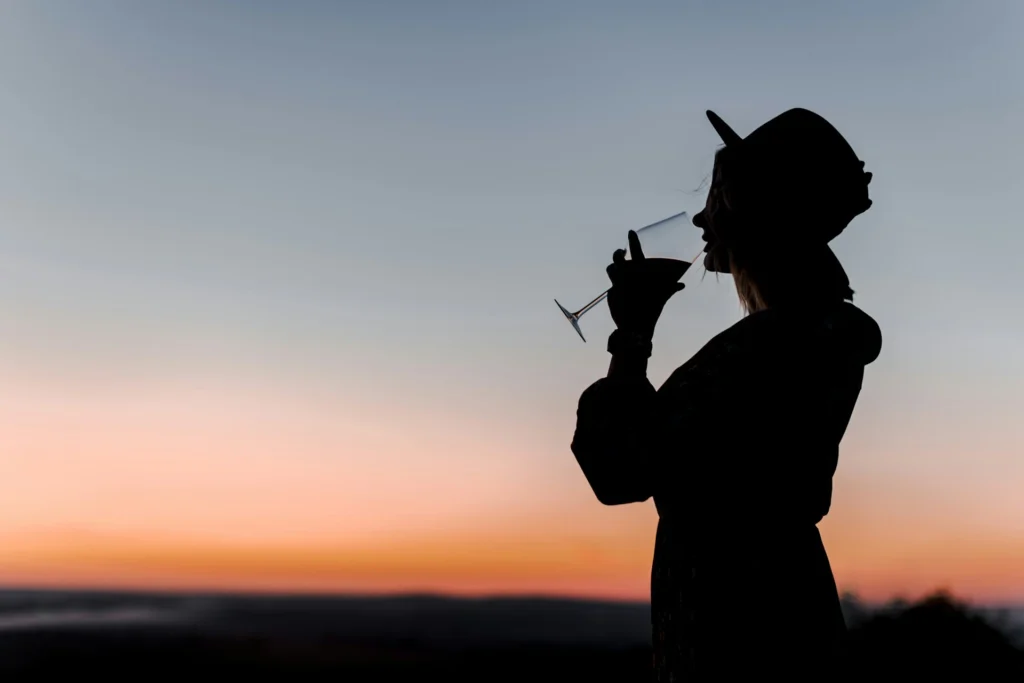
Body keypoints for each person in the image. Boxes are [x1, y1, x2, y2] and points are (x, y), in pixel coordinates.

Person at [570, 108, 882, 680]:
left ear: (757, 209)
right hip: (784, 611)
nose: (698, 218)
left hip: (735, 630)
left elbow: (618, 470)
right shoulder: (821, 334)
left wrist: (632, 337)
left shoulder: (768, 347)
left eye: (717, 197)